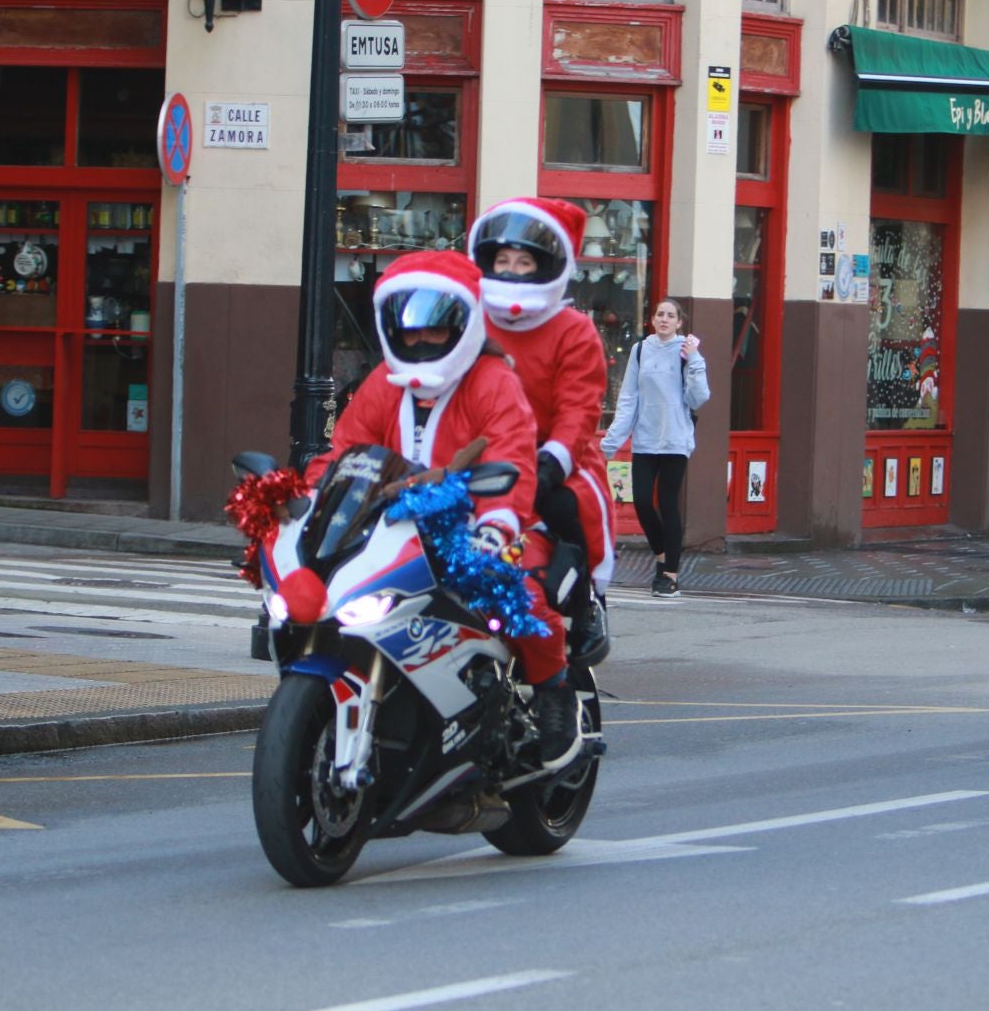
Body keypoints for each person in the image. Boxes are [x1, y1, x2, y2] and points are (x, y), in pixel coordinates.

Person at [304, 250, 581, 769]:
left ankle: (553, 691)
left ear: (463, 323)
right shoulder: (382, 384)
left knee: (519, 594)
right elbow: (345, 451)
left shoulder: (493, 381)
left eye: (436, 328)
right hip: (393, 530)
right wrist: (313, 500)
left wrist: (496, 522)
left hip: (488, 525)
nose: (423, 339)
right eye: (410, 330)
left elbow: (512, 458)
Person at [467, 197, 615, 652]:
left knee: (570, 506)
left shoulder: (573, 330)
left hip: (553, 456)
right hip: (477, 454)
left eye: (524, 261)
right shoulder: (472, 320)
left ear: (544, 266)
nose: (511, 270)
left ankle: (589, 602)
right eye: (503, 260)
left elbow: (580, 409)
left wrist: (550, 464)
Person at [601, 298, 710, 597]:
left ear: (679, 322)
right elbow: (628, 401)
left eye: (670, 315)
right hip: (646, 439)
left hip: (675, 439)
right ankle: (662, 557)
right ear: (653, 319)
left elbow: (698, 399)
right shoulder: (639, 350)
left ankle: (670, 575)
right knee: (642, 503)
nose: (664, 319)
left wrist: (696, 361)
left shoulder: (686, 352)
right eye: (660, 314)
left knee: (668, 503)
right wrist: (610, 443)